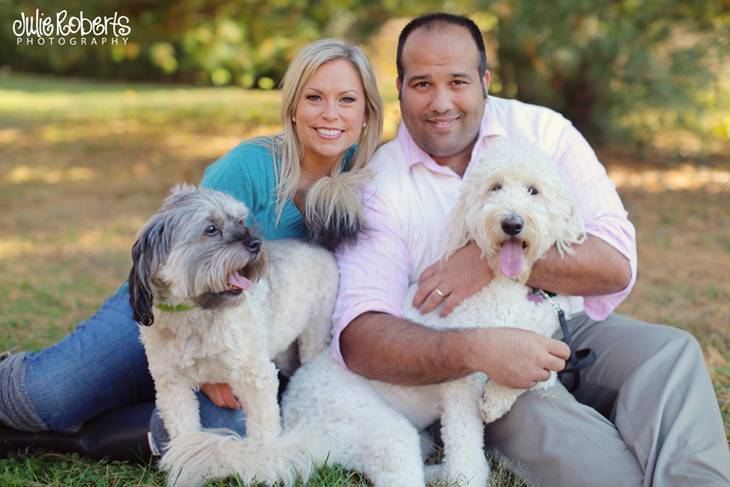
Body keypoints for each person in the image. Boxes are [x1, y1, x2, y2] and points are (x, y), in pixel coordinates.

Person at [331, 12, 730, 486]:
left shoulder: (544, 132)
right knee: (604, 464)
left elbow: (615, 263)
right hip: (477, 374)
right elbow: (360, 336)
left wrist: (491, 259)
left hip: (568, 323)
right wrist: (478, 349)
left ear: (485, 80)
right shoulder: (381, 184)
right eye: (422, 84)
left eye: (458, 81)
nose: (441, 102)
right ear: (398, 86)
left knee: (671, 352)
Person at [0, 38, 384, 461]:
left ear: (366, 113)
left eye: (347, 100)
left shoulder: (374, 186)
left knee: (230, 427)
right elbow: (185, 256)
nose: (331, 113)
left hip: (256, 343)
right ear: (293, 107)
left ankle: (60, 438)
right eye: (314, 97)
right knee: (50, 394)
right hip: (171, 311)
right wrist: (204, 371)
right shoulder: (250, 165)